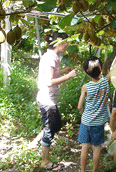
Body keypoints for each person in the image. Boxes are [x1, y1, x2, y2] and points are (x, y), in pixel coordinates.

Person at [77, 46, 116, 172]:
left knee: (85, 147)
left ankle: (82, 170)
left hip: (86, 121)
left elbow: (79, 106)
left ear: (86, 72)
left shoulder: (85, 87)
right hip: (98, 123)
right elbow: (114, 68)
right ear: (101, 69)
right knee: (96, 147)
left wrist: (83, 113)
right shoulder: (105, 81)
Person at [36, 31, 77, 171]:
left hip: (51, 100)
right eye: (65, 42)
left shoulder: (54, 57)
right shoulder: (50, 58)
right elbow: (49, 81)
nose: (66, 45)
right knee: (49, 131)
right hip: (47, 101)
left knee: (57, 124)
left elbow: (52, 74)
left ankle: (43, 137)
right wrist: (69, 76)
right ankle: (45, 162)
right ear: (58, 43)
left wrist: (64, 71)